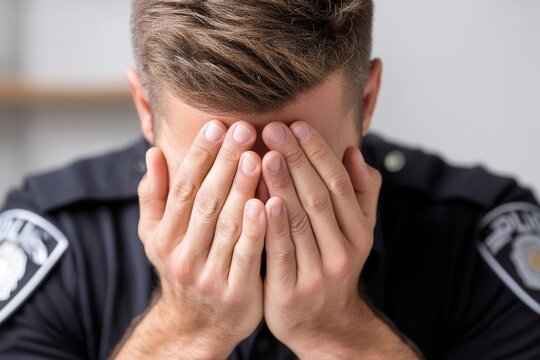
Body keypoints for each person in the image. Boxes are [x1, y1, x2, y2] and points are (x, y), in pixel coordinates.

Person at [1, 1, 539, 358]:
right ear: (146, 107)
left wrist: (338, 331)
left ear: (368, 101)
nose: (260, 203)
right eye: (217, 163)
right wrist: (187, 327)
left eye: (299, 157)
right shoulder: (54, 244)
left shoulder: (482, 239)